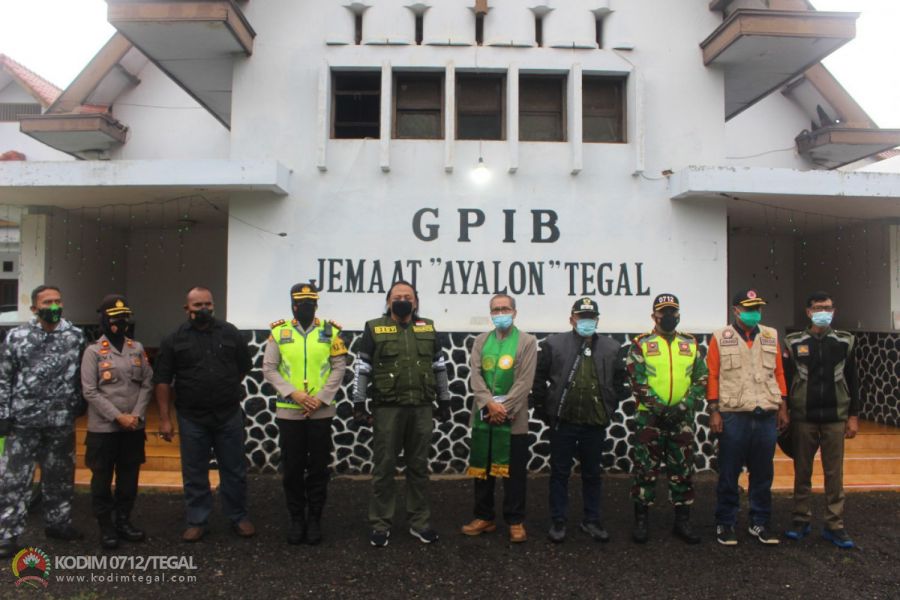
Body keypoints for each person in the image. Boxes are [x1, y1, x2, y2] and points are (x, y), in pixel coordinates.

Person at [352, 280, 452, 547]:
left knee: (418, 467)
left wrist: (444, 400)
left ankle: (419, 522)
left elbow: (439, 367)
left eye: (408, 296)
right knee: (384, 467)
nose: (403, 300)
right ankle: (380, 524)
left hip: (421, 407)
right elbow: (362, 367)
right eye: (397, 297)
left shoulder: (428, 327)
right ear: (388, 301)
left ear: (416, 302)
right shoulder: (374, 328)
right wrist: (358, 403)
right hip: (388, 408)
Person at [154, 286, 254, 542]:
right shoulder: (174, 339)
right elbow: (163, 380)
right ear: (187, 308)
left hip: (228, 414)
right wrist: (165, 419)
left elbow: (243, 366)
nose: (204, 309)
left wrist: (225, 386)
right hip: (192, 417)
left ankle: (238, 516)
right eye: (198, 305)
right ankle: (197, 520)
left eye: (207, 304)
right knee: (194, 471)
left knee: (234, 469)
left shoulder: (230, 333)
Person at [532, 297, 628, 544]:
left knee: (592, 474)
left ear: (597, 320)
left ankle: (592, 520)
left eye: (591, 317)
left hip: (594, 422)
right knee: (559, 473)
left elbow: (620, 381)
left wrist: (609, 408)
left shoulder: (612, 347)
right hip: (563, 421)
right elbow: (539, 378)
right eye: (581, 317)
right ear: (572, 319)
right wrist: (544, 410)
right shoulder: (553, 344)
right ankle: (558, 520)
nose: (586, 321)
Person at [0, 285, 85, 558]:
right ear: (34, 308)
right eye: (47, 302)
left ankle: (58, 524)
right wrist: (3, 414)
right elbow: (4, 377)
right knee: (14, 480)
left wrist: (79, 402)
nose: (54, 306)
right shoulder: (17, 337)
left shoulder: (75, 336)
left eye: (58, 301)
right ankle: (7, 534)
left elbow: (81, 375)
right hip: (23, 422)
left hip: (60, 421)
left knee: (60, 477)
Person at [262, 282, 348, 545]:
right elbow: (269, 369)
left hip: (321, 412)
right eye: (301, 303)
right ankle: (297, 519)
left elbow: (339, 367)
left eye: (311, 303)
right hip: (290, 412)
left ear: (316, 304)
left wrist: (320, 399)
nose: (306, 307)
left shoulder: (331, 331)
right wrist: (294, 394)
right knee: (293, 469)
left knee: (319, 468)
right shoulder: (279, 332)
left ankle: (315, 520)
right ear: (293, 305)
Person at [707, 289, 789, 546]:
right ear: (736, 310)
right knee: (729, 472)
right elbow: (713, 375)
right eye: (749, 308)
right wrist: (714, 411)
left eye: (757, 308)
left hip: (766, 414)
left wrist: (783, 406)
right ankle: (725, 522)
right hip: (734, 415)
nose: (754, 312)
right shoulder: (720, 337)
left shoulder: (770, 335)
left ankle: (760, 522)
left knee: (763, 473)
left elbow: (779, 373)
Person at [627, 293, 708, 544]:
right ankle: (641, 521)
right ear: (654, 316)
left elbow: (701, 379)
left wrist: (683, 406)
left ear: (679, 314)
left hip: (682, 419)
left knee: (682, 470)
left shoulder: (690, 343)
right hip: (650, 419)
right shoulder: (641, 343)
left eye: (673, 311)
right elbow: (637, 379)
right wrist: (660, 408)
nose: (669, 316)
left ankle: (682, 522)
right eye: (664, 312)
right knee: (645, 470)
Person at [783, 291, 859, 549]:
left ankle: (834, 524)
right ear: (808, 312)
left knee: (834, 473)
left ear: (833, 311)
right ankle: (800, 519)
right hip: (803, 417)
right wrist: (784, 410)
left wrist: (853, 416)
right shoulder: (794, 343)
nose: (823, 312)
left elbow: (853, 380)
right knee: (802, 471)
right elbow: (786, 379)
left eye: (827, 307)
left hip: (835, 418)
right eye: (817, 308)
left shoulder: (845, 342)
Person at [461, 294, 537, 543]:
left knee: (514, 473)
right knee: (483, 471)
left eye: (505, 308)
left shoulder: (527, 342)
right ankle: (484, 517)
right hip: (484, 416)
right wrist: (489, 404)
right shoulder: (480, 341)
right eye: (496, 309)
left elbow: (525, 381)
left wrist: (503, 408)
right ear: (491, 313)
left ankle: (515, 521)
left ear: (514, 312)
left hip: (513, 418)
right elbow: (475, 377)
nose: (500, 313)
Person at [81, 295, 153, 550]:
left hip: (133, 427)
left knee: (129, 479)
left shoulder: (137, 348)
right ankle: (106, 526)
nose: (120, 323)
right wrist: (118, 416)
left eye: (124, 318)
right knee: (101, 480)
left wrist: (136, 415)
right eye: (115, 319)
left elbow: (147, 383)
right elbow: (90, 391)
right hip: (104, 429)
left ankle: (123, 521)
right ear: (104, 320)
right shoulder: (93, 352)